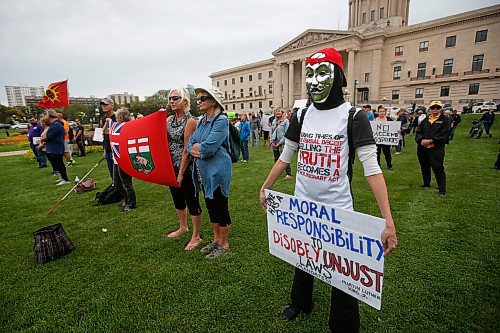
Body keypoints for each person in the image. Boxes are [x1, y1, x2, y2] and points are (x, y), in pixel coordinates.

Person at [260, 47, 397, 333]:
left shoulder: (354, 116)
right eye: (309, 74)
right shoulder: (301, 114)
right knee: (303, 256)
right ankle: (300, 302)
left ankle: (343, 325)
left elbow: (372, 169)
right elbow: (286, 156)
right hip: (303, 207)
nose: (314, 81)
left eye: (322, 73)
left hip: (339, 211)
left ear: (339, 77)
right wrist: (266, 187)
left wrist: (389, 221)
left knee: (343, 272)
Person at [187, 86, 233, 259]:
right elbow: (191, 144)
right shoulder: (202, 121)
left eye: (202, 98)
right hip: (204, 172)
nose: (199, 101)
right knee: (211, 205)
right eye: (197, 98)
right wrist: (195, 147)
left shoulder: (221, 120)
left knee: (220, 206)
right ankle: (216, 239)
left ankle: (224, 244)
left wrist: (199, 148)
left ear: (213, 100)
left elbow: (208, 148)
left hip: (218, 171)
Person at [165, 88, 203, 251]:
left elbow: (187, 149)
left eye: (175, 98)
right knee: (177, 198)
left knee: (191, 199)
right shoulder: (168, 120)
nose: (171, 101)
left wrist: (180, 173)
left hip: (188, 167)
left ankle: (196, 235)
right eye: (170, 98)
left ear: (185, 101)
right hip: (171, 166)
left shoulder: (191, 121)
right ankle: (183, 227)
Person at [415, 100, 450, 197]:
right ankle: (426, 183)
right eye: (433, 108)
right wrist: (421, 140)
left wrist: (431, 140)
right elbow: (418, 132)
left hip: (436, 148)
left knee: (438, 167)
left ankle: (442, 189)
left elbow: (444, 134)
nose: (435, 110)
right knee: (424, 165)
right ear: (429, 109)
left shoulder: (445, 120)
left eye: (437, 108)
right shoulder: (425, 120)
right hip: (422, 147)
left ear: (440, 109)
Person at [105, 108, 137, 212]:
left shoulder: (128, 127)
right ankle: (126, 199)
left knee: (127, 183)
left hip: (124, 159)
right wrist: (107, 123)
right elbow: (104, 131)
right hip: (116, 159)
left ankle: (131, 203)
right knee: (117, 183)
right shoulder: (115, 127)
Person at [42, 109, 70, 185]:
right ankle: (62, 177)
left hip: (56, 147)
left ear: (49, 116)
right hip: (56, 146)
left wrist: (42, 140)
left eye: (46, 115)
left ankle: (65, 179)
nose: (45, 117)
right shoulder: (56, 124)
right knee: (58, 163)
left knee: (59, 163)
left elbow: (49, 136)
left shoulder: (56, 124)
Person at [270, 107, 292, 180]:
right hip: (274, 142)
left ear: (282, 112)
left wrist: (280, 143)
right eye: (276, 111)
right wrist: (272, 141)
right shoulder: (274, 121)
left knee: (285, 158)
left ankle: (288, 174)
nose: (278, 112)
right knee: (276, 158)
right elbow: (271, 132)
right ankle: (277, 173)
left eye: (279, 111)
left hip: (282, 143)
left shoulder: (286, 121)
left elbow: (287, 133)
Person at [100, 97, 116, 180]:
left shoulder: (117, 117)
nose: (103, 106)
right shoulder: (103, 119)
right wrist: (105, 151)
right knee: (112, 174)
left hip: (116, 150)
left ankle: (123, 191)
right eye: (102, 105)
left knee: (119, 175)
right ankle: (116, 190)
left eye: (106, 104)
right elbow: (104, 136)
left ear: (112, 106)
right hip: (108, 149)